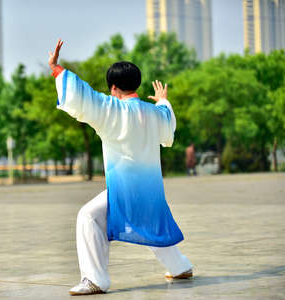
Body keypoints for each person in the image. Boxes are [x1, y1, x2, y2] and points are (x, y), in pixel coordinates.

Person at [48, 39, 193, 295]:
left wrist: (57, 68)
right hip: (150, 189)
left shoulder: (110, 108)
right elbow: (167, 130)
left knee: (88, 216)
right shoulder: (154, 113)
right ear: (136, 84)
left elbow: (81, 95)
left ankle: (95, 279)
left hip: (124, 188)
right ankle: (180, 267)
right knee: (149, 224)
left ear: (114, 87)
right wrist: (162, 100)